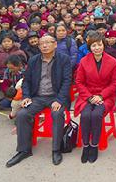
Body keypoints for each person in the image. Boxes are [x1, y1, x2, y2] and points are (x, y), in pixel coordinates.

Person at [6, 34, 71, 167]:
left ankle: (56, 150)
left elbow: (67, 81)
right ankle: (24, 150)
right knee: (22, 114)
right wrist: (26, 97)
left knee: (57, 114)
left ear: (55, 44)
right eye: (42, 43)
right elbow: (27, 81)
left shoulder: (64, 59)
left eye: (48, 42)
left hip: (56, 96)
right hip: (38, 97)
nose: (45, 45)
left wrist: (59, 100)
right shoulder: (34, 60)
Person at [73, 32, 116, 164]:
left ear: (103, 45)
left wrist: (101, 96)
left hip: (105, 95)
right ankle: (85, 145)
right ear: (89, 47)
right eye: (94, 45)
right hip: (87, 95)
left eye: (99, 45)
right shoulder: (84, 61)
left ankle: (94, 146)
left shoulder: (112, 61)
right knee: (86, 115)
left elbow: (114, 83)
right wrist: (90, 97)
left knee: (97, 115)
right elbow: (79, 82)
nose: (97, 48)